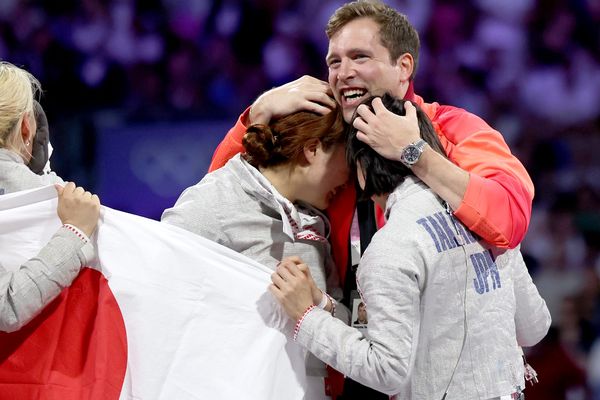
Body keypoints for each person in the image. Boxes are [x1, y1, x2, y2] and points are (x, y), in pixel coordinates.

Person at [208, 0, 534, 291]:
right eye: (334, 62)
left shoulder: (452, 127)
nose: (343, 73)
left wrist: (415, 153)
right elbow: (227, 197)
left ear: (403, 67)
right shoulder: (324, 136)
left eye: (359, 57)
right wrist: (257, 114)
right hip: (344, 342)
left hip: (436, 348)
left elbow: (510, 219)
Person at [270, 94, 551, 399]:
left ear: (362, 171)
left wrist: (306, 317)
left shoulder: (390, 248)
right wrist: (326, 307)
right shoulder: (486, 218)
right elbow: (534, 327)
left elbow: (387, 372)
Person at [162, 106, 350, 399]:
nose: (349, 175)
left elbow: (345, 322)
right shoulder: (217, 199)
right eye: (346, 157)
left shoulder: (316, 219)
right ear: (313, 149)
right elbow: (163, 283)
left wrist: (320, 302)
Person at [0, 61, 100, 332]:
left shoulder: (54, 195)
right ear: (25, 127)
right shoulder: (73, 208)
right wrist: (76, 233)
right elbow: (7, 307)